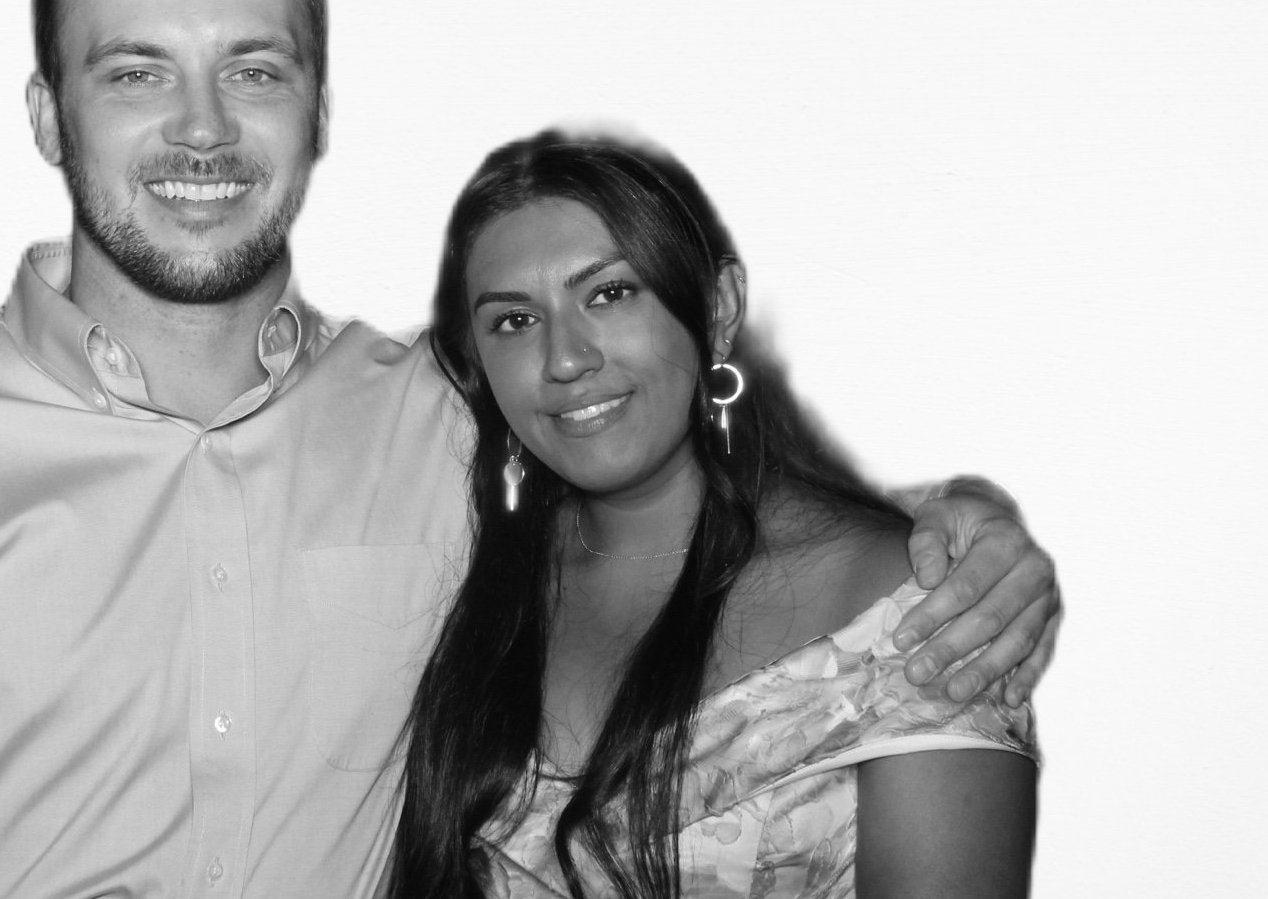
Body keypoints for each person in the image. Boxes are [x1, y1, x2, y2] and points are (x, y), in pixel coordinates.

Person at [0, 0, 1057, 898]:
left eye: (254, 71)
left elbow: (655, 470)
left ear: (317, 112)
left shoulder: (443, 423)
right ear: (50, 117)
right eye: (135, 73)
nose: (201, 129)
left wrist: (947, 522)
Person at [389, 133, 1038, 898]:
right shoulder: (470, 572)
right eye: (514, 322)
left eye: (610, 294)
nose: (565, 359)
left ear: (718, 307)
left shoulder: (916, 607)